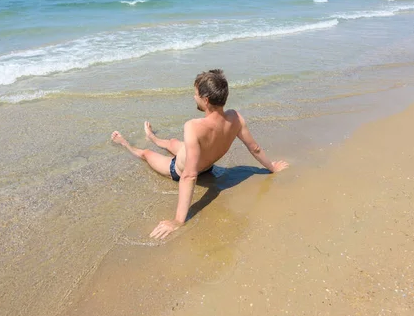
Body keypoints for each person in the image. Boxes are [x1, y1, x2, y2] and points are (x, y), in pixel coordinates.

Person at [111, 69, 289, 239]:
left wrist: (178, 221)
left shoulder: (193, 126)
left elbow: (189, 175)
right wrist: (272, 167)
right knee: (173, 143)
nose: (193, 96)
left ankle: (125, 144)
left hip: (178, 169)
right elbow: (255, 148)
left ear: (205, 100)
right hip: (205, 163)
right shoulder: (235, 117)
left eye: (195, 93)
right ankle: (153, 138)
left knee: (147, 154)